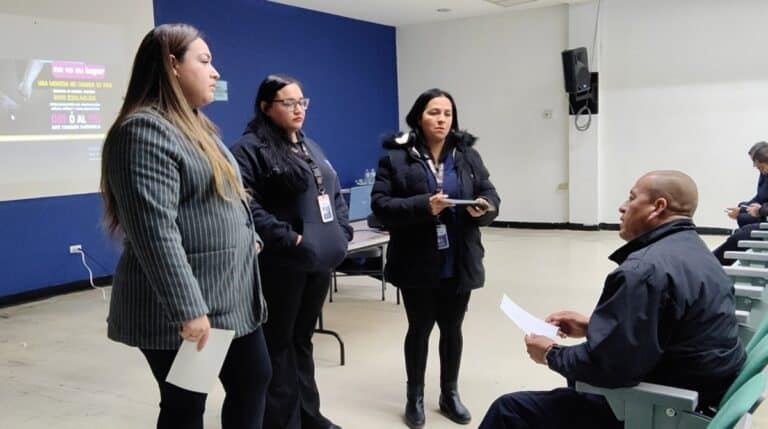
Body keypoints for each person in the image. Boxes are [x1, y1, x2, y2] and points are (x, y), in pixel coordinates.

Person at [100, 24, 271, 429]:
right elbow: (153, 231)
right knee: (186, 404)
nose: (215, 72)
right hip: (188, 307)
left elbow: (225, 198)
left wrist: (252, 238)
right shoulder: (143, 130)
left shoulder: (196, 126)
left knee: (253, 379)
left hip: (227, 294)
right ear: (171, 65)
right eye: (205, 61)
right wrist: (189, 310)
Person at [479, 170, 745, 429]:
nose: (622, 207)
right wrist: (593, 326)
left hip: (660, 406)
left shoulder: (643, 271)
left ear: (657, 207)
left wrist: (550, 353)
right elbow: (666, 327)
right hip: (702, 393)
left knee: (509, 411)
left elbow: (609, 368)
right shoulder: (696, 250)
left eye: (631, 198)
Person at [371, 88, 500, 428]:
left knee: (452, 328)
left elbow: (489, 192)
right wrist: (423, 207)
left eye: (447, 113)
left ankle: (449, 393)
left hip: (459, 258)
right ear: (418, 117)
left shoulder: (467, 155)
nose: (441, 119)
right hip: (417, 260)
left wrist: (483, 208)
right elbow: (381, 207)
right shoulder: (396, 158)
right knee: (420, 328)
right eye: (433, 112)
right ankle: (414, 396)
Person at [230, 75, 352, 429]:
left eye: (302, 102)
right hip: (281, 264)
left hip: (317, 261)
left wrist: (341, 231)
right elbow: (245, 207)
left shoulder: (310, 146)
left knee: (302, 340)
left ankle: (309, 416)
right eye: (289, 103)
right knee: (278, 345)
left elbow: (333, 193)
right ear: (266, 107)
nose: (298, 109)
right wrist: (290, 240)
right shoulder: (248, 149)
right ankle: (284, 422)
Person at [725, 141, 768, 227]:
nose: (754, 165)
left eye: (760, 166)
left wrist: (759, 210)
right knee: (741, 206)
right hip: (763, 209)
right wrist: (742, 208)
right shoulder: (764, 173)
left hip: (764, 212)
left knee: (743, 218)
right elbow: (760, 196)